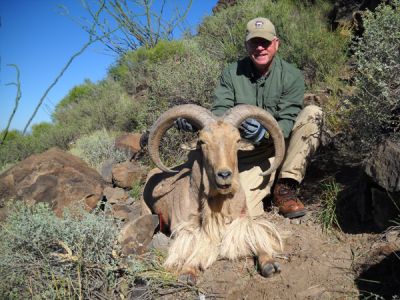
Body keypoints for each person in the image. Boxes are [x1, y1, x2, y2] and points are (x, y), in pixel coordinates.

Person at [175, 17, 322, 219]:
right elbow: (220, 114)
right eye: (254, 43)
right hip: (244, 153)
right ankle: (263, 189)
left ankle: (285, 187)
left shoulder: (291, 75)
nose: (260, 48)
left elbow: (288, 120)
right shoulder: (231, 73)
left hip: (278, 146)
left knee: (312, 114)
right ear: (246, 45)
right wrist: (196, 123)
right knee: (238, 213)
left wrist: (265, 133)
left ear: (276, 44)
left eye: (266, 42)